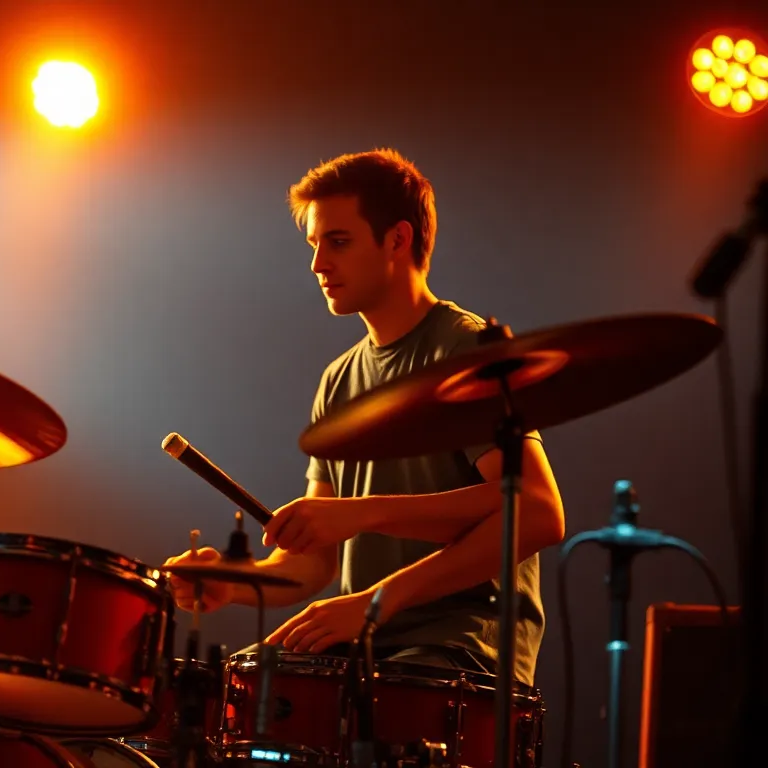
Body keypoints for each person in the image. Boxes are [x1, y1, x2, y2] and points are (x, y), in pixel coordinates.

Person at [163, 149, 565, 686]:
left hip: (459, 650)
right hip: (371, 644)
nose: (317, 264)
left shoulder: (463, 349)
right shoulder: (338, 381)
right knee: (232, 693)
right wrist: (233, 584)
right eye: (314, 245)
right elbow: (314, 563)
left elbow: (537, 511)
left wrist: (369, 553)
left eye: (338, 241)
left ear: (398, 239)